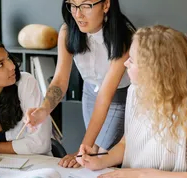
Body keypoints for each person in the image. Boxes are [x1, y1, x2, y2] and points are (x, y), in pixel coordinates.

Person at [76, 25, 187, 178]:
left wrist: (141, 174)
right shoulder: (135, 91)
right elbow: (127, 143)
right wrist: (100, 160)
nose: (125, 63)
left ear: (155, 70)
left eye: (133, 60)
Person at [25, 0, 135, 168]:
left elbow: (105, 96)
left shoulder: (124, 36)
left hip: (119, 97)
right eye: (73, 5)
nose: (77, 14)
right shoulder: (68, 30)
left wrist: (81, 151)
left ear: (106, 5)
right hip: (90, 93)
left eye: (86, 6)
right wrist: (43, 110)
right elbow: (60, 80)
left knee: (100, 156)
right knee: (91, 155)